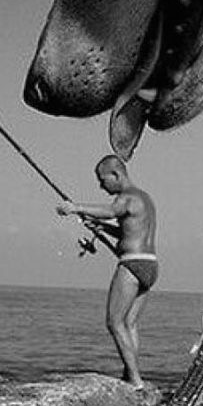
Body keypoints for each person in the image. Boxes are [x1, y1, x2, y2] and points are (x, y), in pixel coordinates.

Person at [57, 155, 157, 389]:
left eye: (103, 180)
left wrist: (75, 208)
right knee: (129, 323)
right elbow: (128, 231)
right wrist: (101, 228)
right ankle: (130, 374)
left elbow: (111, 211)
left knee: (114, 322)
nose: (101, 186)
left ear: (116, 175)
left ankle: (134, 378)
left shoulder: (127, 197)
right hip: (150, 264)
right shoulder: (144, 198)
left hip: (132, 265)